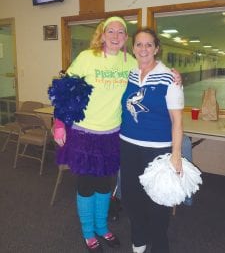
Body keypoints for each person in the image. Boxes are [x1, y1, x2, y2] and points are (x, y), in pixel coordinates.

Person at [52, 16, 137, 252]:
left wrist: (174, 76)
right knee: (87, 185)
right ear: (102, 34)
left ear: (125, 38)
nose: (116, 36)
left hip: (111, 134)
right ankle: (88, 231)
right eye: (111, 31)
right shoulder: (87, 58)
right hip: (84, 133)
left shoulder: (130, 62)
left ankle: (102, 227)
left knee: (105, 185)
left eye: (121, 32)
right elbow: (64, 90)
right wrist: (59, 122)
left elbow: (149, 74)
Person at [119, 28, 184, 253]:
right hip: (127, 145)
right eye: (139, 44)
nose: (143, 49)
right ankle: (139, 237)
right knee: (129, 196)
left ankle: (159, 244)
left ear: (156, 48)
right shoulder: (129, 73)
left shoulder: (169, 77)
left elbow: (177, 121)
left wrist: (176, 155)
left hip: (157, 150)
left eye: (148, 45)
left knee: (157, 202)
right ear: (133, 48)